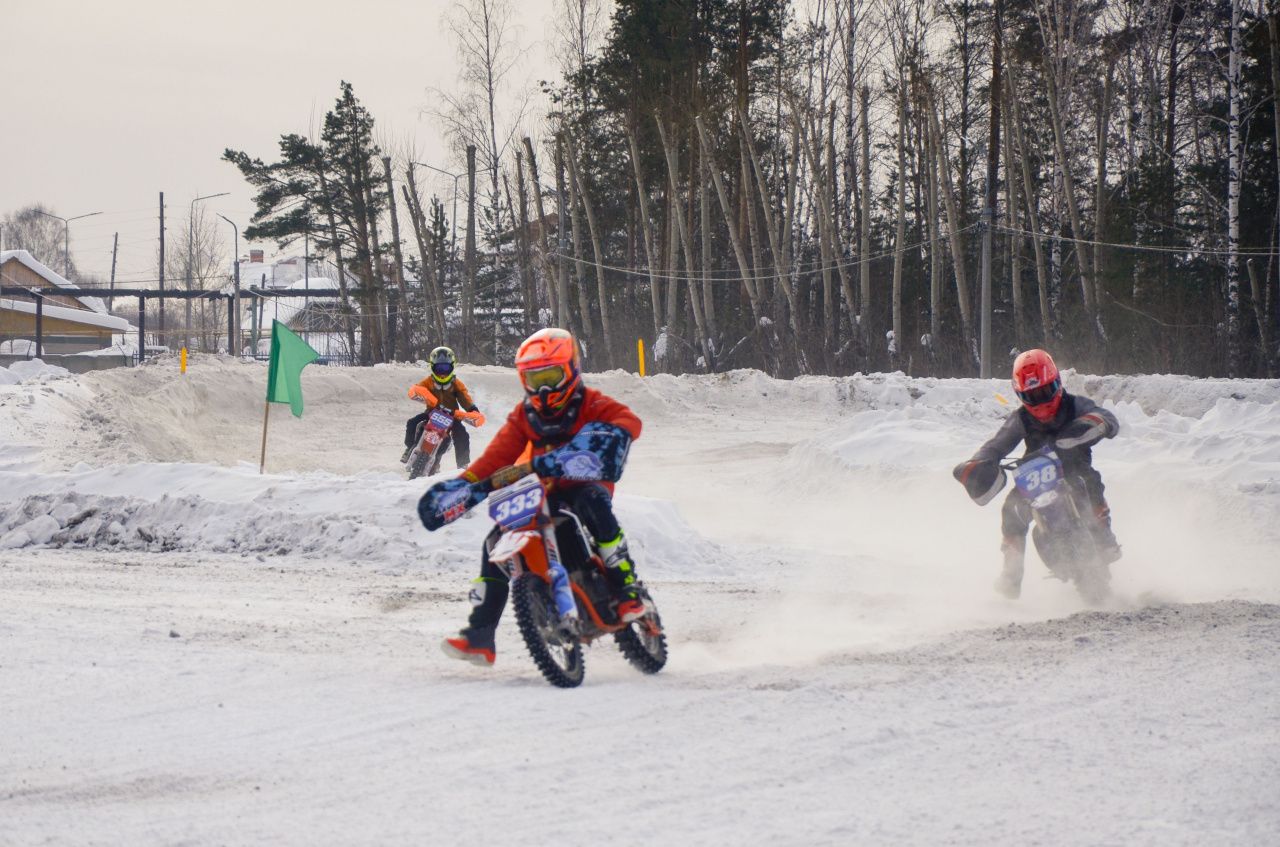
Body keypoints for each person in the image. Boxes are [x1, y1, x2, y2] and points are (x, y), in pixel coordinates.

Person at [440, 327, 645, 667]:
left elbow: (629, 420)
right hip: (539, 488)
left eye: (551, 376)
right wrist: (472, 484)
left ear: (571, 370)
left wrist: (609, 436)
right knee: (493, 542)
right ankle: (480, 636)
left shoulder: (591, 403)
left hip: (584, 481)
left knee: (589, 506)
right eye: (536, 380)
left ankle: (626, 588)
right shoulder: (525, 416)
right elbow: (500, 454)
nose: (545, 388)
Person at [954, 348, 1121, 599]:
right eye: (1032, 396)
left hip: (1074, 468)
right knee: (1011, 510)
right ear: (1021, 396)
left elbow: (1106, 418)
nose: (1041, 401)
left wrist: (1085, 426)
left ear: (1056, 384)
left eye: (1044, 392)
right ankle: (1011, 574)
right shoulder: (1020, 419)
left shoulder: (1074, 404)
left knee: (1090, 482)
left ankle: (1105, 539)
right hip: (1035, 474)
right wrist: (980, 462)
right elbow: (997, 444)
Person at [403, 346, 484, 469]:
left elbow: (465, 398)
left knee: (462, 434)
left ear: (451, 367)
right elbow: (416, 389)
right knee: (413, 423)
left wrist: (472, 409)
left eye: (445, 368)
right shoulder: (428, 381)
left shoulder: (456, 384)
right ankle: (410, 447)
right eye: (439, 368)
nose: (442, 373)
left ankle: (463, 464)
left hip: (452, 416)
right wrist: (422, 394)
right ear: (433, 367)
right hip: (431, 412)